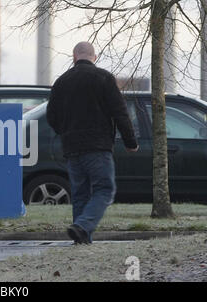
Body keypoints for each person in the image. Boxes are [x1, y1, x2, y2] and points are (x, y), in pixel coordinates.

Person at [46, 42, 139, 244]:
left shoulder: (61, 82)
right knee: (105, 189)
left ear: (74, 56)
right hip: (97, 146)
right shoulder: (104, 78)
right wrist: (130, 142)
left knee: (80, 194)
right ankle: (83, 226)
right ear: (94, 57)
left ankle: (81, 239)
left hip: (72, 147)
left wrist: (66, 132)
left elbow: (51, 116)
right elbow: (120, 112)